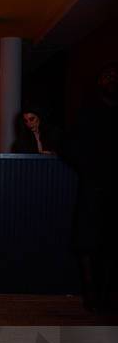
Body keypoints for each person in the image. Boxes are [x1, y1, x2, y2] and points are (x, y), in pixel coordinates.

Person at [66, 61, 118, 311]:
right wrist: (90, 170)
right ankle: (92, 294)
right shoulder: (88, 110)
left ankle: (103, 294)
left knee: (105, 242)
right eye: (107, 73)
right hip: (94, 184)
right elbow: (73, 146)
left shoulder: (95, 110)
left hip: (102, 185)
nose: (110, 78)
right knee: (88, 240)